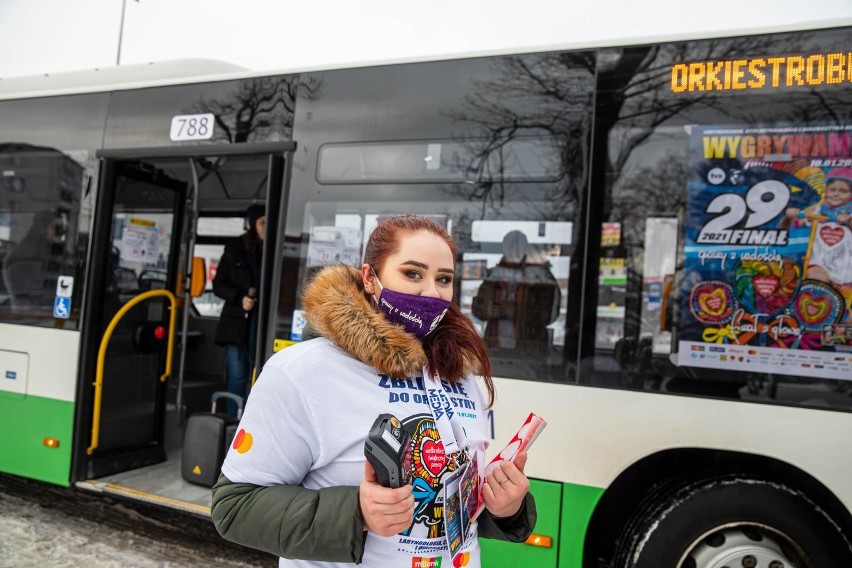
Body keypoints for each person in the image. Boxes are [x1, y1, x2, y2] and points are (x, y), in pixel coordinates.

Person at [211, 215, 536, 567]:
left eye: (444, 279)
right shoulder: (301, 371)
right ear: (369, 278)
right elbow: (235, 507)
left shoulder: (458, 374)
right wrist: (356, 512)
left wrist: (505, 508)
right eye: (413, 273)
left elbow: (453, 503)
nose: (431, 292)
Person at [212, 204, 265, 416]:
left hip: (259, 322)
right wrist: (239, 298)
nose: (265, 227)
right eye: (261, 222)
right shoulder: (234, 249)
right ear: (252, 225)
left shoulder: (273, 250)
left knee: (258, 373)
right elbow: (218, 285)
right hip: (235, 321)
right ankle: (233, 420)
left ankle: (250, 420)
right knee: (237, 375)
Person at [471, 230, 561, 354]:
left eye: (518, 246)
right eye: (510, 245)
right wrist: (487, 310)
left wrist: (518, 310)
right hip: (494, 349)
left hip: (529, 350)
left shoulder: (540, 277)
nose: (514, 249)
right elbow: (478, 309)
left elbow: (551, 313)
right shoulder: (492, 277)